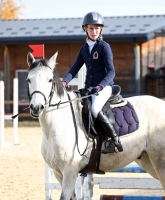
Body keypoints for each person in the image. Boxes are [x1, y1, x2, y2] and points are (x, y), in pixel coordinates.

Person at [62, 12, 123, 154]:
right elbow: (74, 68)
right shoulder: (83, 49)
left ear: (101, 29)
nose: (94, 31)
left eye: (97, 28)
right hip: (89, 88)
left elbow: (111, 72)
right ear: (85, 29)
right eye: (91, 28)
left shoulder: (104, 47)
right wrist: (65, 81)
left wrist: (100, 86)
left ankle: (115, 140)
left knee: (95, 109)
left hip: (104, 87)